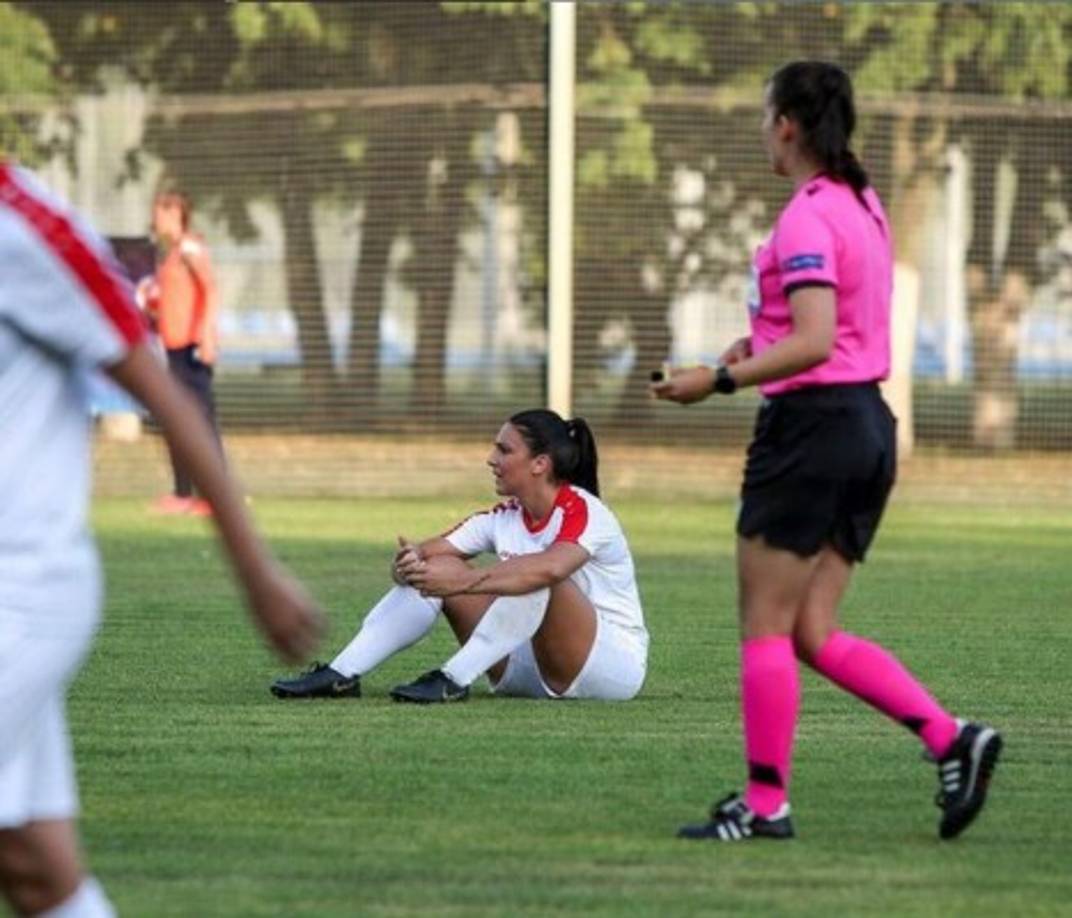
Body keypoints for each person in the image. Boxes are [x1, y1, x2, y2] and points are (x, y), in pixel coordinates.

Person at [653, 61, 1001, 843]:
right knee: (810, 630)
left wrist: (720, 376)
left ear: (787, 124)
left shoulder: (808, 215)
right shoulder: (862, 202)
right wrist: (760, 342)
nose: (759, 129)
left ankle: (765, 804)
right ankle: (954, 739)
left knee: (765, 626)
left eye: (763, 114)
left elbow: (814, 342)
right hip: (867, 427)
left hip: (813, 429)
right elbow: (826, 332)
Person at [0, 161, 323, 916]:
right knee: (35, 869)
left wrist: (258, 575)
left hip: (17, 592)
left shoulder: (22, 225)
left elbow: (165, 395)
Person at [271, 409, 648, 704]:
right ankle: (342, 673)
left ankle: (452, 679)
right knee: (438, 566)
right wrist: (408, 566)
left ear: (540, 464)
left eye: (504, 450)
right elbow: (426, 555)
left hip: (606, 668)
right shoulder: (504, 516)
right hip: (522, 667)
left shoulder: (585, 510)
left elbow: (549, 569)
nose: (490, 458)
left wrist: (461, 583)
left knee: (537, 575)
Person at [139, 189, 222, 516]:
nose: (155, 219)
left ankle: (212, 497)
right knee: (177, 421)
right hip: (173, 349)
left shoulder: (189, 246)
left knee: (200, 422)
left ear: (174, 214)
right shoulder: (171, 254)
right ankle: (183, 493)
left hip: (191, 349)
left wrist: (206, 334)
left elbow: (211, 288)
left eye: (159, 213)